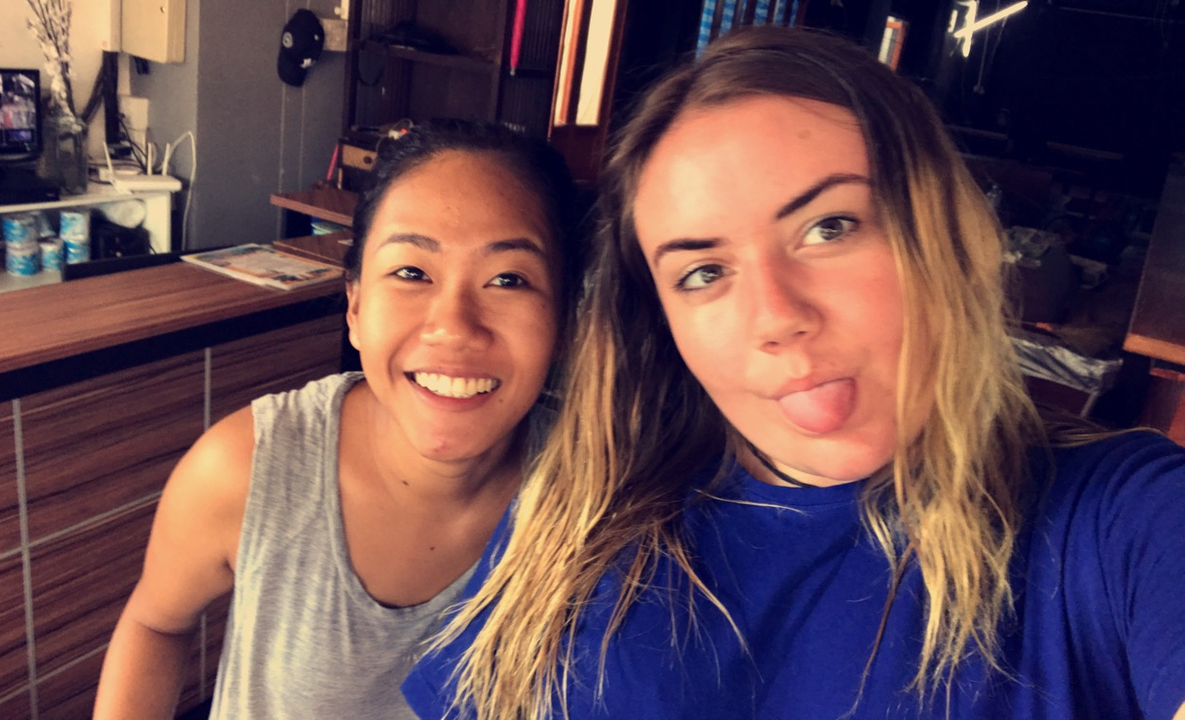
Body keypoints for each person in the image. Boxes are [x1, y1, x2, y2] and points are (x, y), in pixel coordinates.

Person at [402, 27, 1185, 720]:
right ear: (661, 323)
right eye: (703, 271)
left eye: (828, 227)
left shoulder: (1118, 521)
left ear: (945, 228)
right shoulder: (574, 514)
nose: (776, 315)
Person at [94, 119, 580, 719]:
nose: (454, 326)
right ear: (355, 307)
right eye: (411, 272)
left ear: (563, 322)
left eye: (509, 279)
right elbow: (155, 625)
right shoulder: (245, 470)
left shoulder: (594, 488)